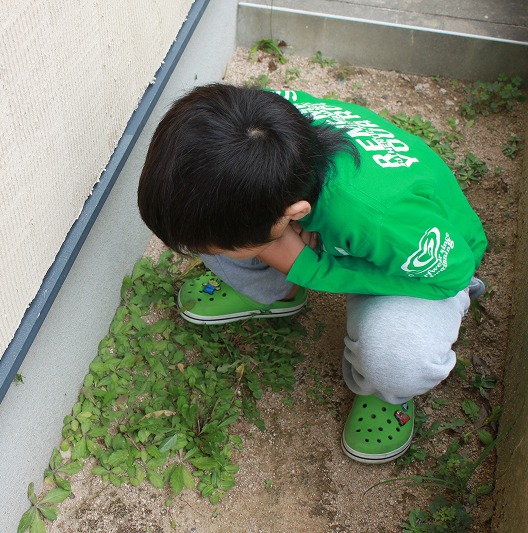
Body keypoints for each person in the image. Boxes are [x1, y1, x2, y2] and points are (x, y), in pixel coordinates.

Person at [137, 84, 487, 464]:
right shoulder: (260, 124)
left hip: (418, 263)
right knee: (208, 223)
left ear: (293, 214)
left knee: (398, 357)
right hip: (337, 219)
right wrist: (286, 249)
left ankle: (386, 393)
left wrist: (312, 268)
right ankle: (277, 292)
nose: (205, 256)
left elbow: (451, 276)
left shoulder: (381, 217)